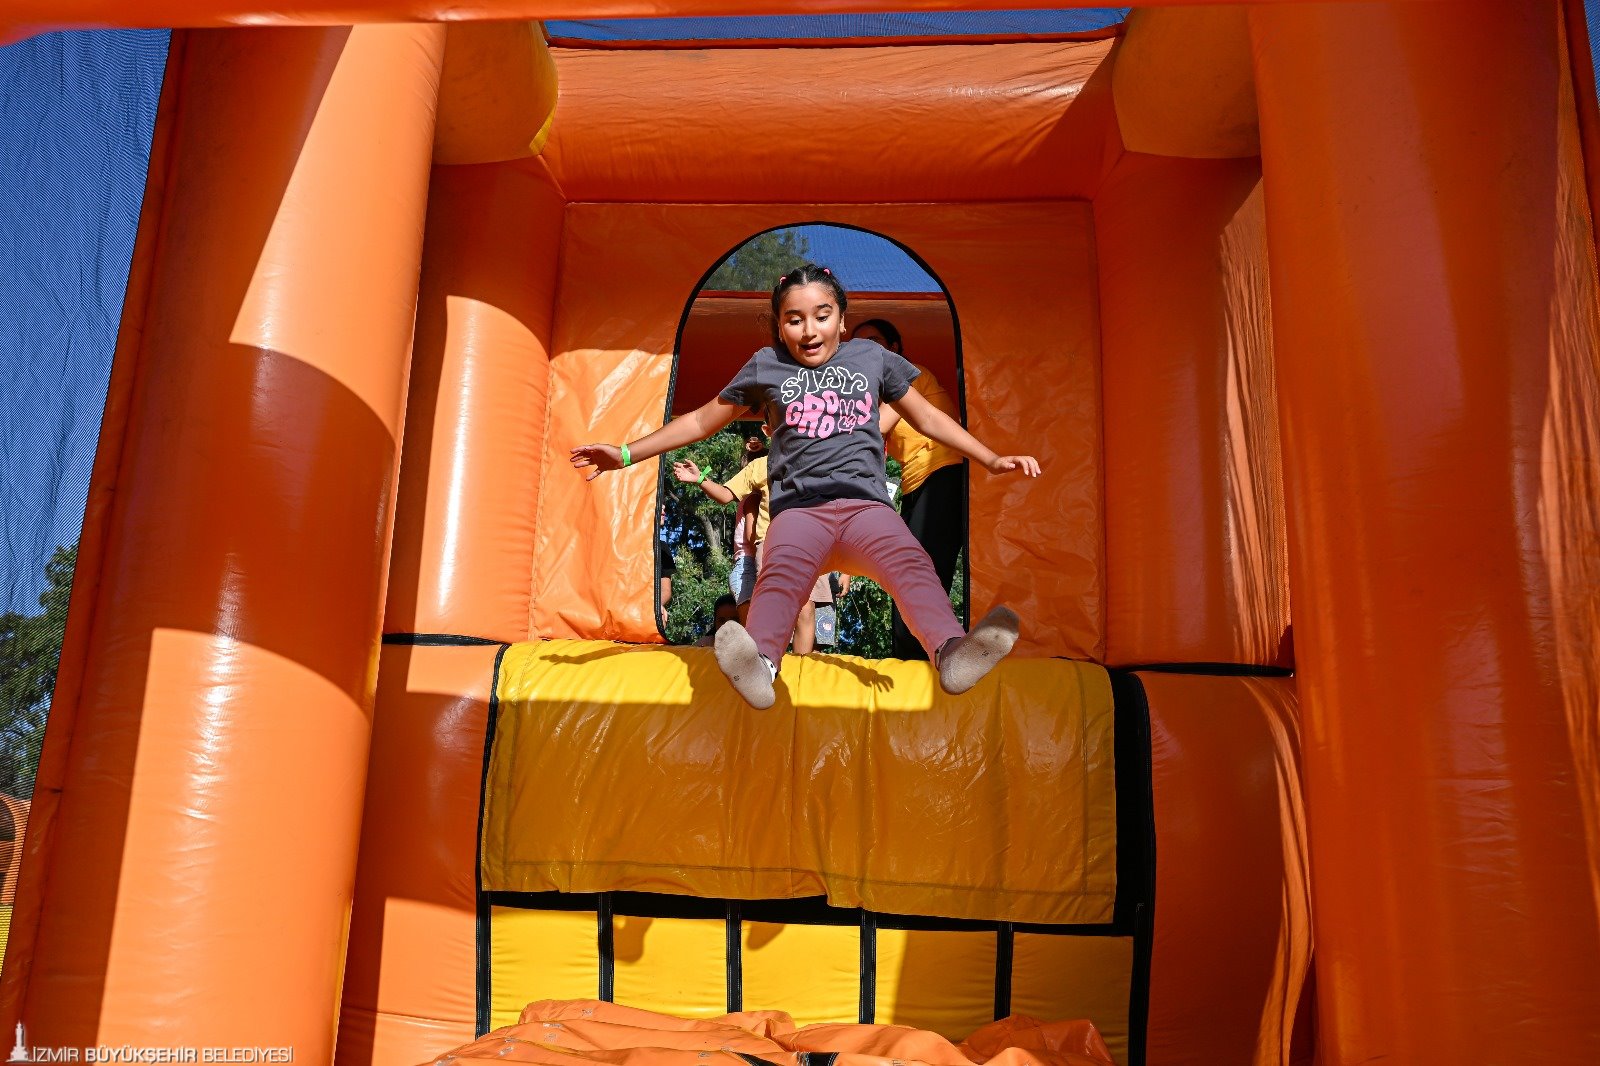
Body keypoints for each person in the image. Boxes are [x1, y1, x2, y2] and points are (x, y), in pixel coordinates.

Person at [573, 262, 1041, 709]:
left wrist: (989, 457)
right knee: (778, 580)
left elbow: (929, 417)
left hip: (865, 508)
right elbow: (700, 420)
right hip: (800, 512)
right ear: (780, 328)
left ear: (842, 320)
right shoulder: (767, 365)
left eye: (822, 315)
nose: (809, 330)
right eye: (794, 320)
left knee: (911, 564)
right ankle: (761, 665)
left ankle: (950, 652)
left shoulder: (872, 358)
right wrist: (627, 453)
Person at [853, 318, 966, 660]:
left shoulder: (907, 374)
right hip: (916, 484)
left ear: (894, 348)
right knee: (908, 571)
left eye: (873, 341)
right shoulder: (874, 394)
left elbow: (873, 429)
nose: (865, 349)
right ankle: (914, 660)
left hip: (942, 473)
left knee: (920, 572)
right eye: (857, 345)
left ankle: (927, 657)